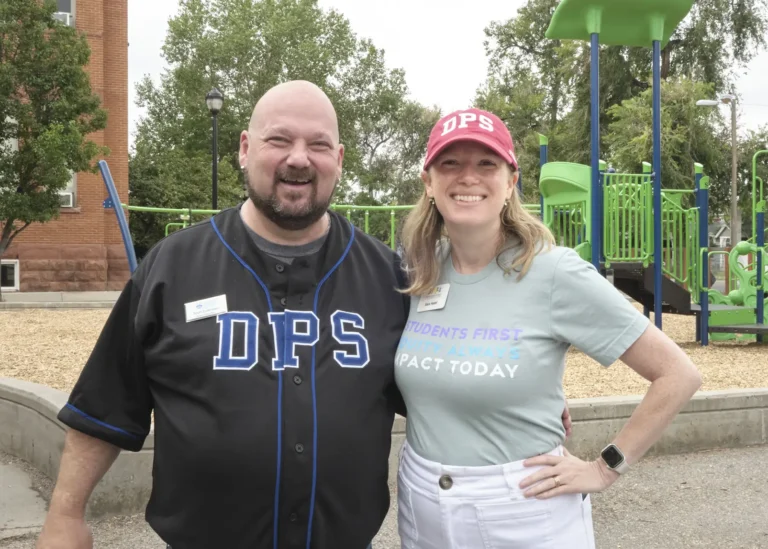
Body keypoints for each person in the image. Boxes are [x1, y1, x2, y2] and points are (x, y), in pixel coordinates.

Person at [35, 80, 410, 549]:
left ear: (339, 158)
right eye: (279, 140)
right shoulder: (172, 266)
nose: (299, 158)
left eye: (317, 144)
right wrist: (66, 515)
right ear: (245, 149)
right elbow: (105, 406)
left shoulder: (388, 277)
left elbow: (446, 397)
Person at [393, 108, 703, 548]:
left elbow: (678, 375)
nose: (468, 178)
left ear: (510, 182)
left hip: (521, 506)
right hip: (422, 500)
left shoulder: (554, 272)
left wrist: (604, 467)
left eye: (486, 164)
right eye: (450, 163)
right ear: (428, 182)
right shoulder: (418, 269)